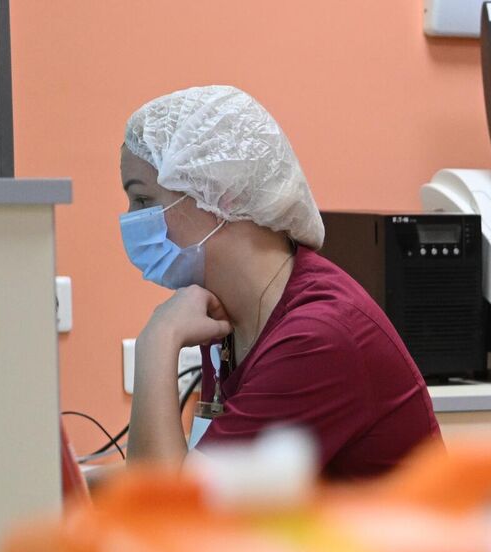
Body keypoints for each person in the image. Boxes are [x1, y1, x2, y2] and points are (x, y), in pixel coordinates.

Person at [119, 85, 441, 479]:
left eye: (143, 200)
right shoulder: (229, 318)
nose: (131, 219)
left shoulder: (317, 339)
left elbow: (169, 507)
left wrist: (157, 340)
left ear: (223, 194)